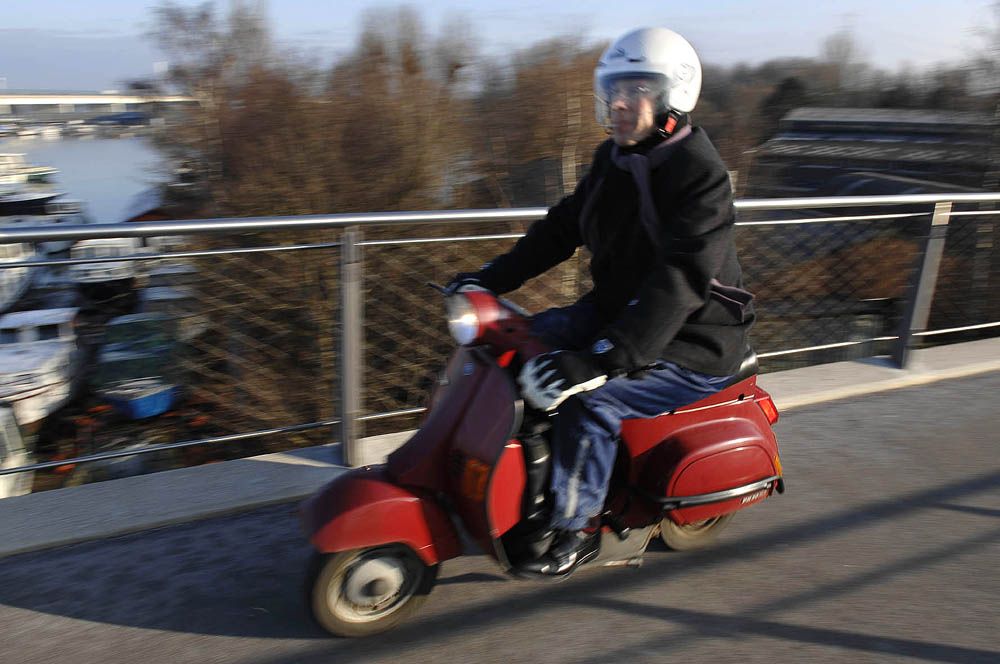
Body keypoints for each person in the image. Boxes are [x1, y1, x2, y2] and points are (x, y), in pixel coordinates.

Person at [447, 27, 755, 576]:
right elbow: (563, 227)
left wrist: (604, 360)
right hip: (619, 312)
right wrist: (491, 280)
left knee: (594, 403)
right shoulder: (615, 157)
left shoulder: (702, 178)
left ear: (673, 96)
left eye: (634, 88)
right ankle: (514, 486)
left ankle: (575, 526)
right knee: (517, 346)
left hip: (693, 341)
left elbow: (680, 281)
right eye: (612, 88)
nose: (617, 102)